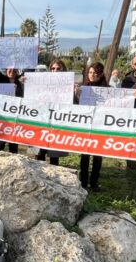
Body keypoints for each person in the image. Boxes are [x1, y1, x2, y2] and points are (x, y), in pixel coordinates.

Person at [76, 62, 108, 192]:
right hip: (86, 125)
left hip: (100, 126)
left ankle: (94, 182)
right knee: (84, 155)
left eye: (95, 72)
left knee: (97, 156)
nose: (92, 75)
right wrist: (77, 95)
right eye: (90, 72)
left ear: (100, 74)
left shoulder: (108, 89)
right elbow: (76, 106)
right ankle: (83, 182)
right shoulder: (83, 88)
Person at [36, 59, 69, 165]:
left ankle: (53, 179)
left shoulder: (68, 86)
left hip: (57, 123)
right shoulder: (41, 84)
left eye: (58, 69)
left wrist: (75, 94)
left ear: (63, 70)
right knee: (39, 153)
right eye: (53, 68)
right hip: (43, 121)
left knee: (54, 156)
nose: (55, 71)